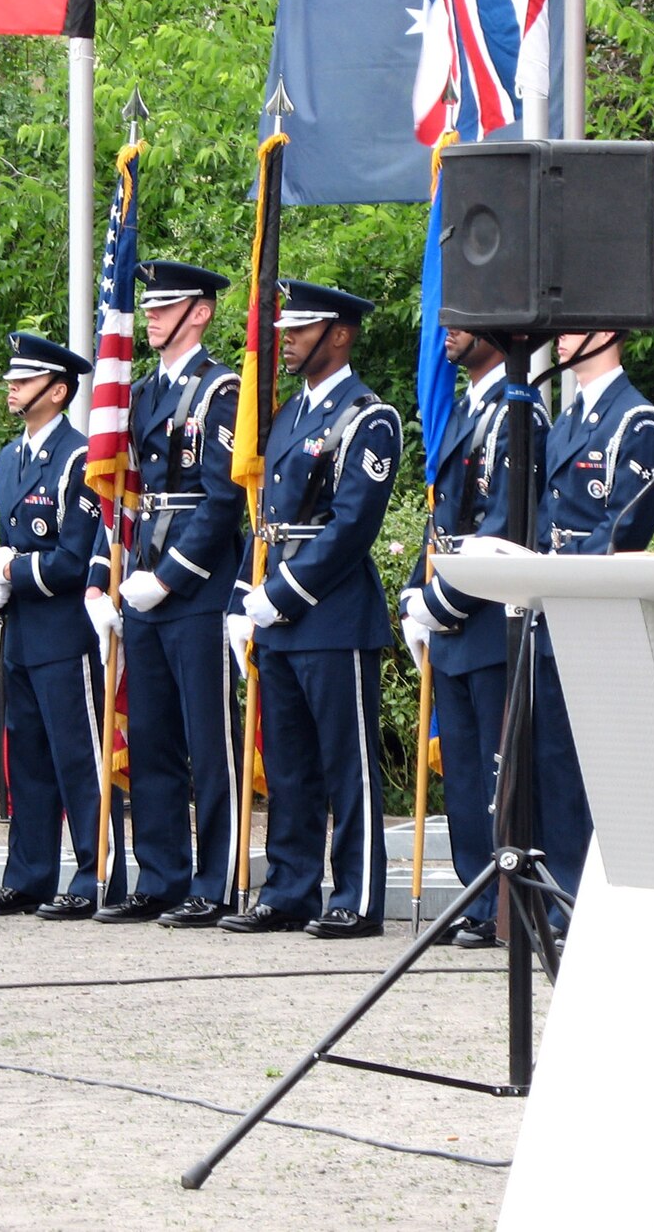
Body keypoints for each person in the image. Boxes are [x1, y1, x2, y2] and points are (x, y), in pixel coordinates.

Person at [222, 281, 401, 938]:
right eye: (285, 329)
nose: (287, 339)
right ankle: (290, 887)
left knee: (345, 765)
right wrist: (243, 599)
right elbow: (264, 519)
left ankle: (355, 895)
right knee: (290, 765)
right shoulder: (286, 416)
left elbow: (351, 527)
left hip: (331, 616)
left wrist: (279, 595)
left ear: (341, 334)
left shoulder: (367, 417)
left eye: (302, 328)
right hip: (277, 617)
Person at [86, 261, 246, 927]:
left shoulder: (222, 391)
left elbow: (222, 502)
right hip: (142, 583)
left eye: (167, 306)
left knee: (210, 746)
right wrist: (107, 577)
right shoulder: (143, 394)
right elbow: (122, 492)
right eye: (148, 307)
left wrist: (169, 577)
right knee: (150, 738)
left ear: (200, 312)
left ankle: (218, 881)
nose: (151, 317)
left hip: (195, 591)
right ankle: (161, 875)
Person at [0, 335, 129, 919]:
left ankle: (96, 875)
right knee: (27, 762)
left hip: (65, 631)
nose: (12, 385)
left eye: (24, 378)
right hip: (24, 634)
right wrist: (5, 575)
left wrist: (12, 566)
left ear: (57, 391)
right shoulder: (12, 458)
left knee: (78, 758)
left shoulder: (81, 459)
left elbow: (70, 560)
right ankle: (28, 876)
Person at [399, 327, 547, 949]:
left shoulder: (518, 410)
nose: (448, 330)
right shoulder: (467, 408)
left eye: (463, 319)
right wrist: (415, 594)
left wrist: (443, 600)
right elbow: (444, 516)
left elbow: (508, 521)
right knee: (462, 772)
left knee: (497, 769)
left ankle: (508, 902)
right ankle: (476, 894)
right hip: (457, 621)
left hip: (492, 617)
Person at [533, 329, 654, 907]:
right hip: (559, 604)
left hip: (601, 606)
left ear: (606, 334)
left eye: (571, 330)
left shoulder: (637, 420)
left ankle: (609, 897)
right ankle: (567, 896)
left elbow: (624, 528)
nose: (560, 341)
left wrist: (560, 566)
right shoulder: (566, 419)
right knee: (557, 760)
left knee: (602, 767)